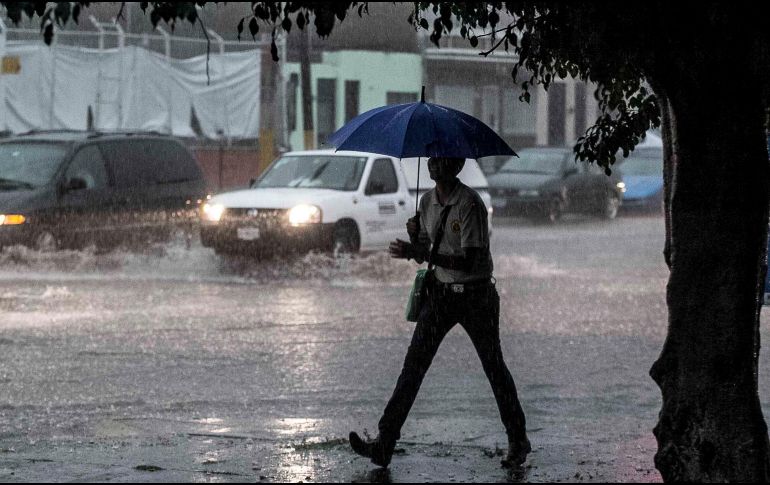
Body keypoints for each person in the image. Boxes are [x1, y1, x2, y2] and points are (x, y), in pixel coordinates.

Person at [349, 156, 531, 468]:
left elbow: (470, 261)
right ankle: (385, 442)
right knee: (412, 368)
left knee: (494, 368)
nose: (434, 164)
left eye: (442, 160)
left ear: (456, 166)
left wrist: (420, 251)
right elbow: (426, 254)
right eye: (432, 159)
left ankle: (518, 440)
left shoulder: (470, 204)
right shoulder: (427, 201)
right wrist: (416, 239)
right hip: (440, 296)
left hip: (476, 297)